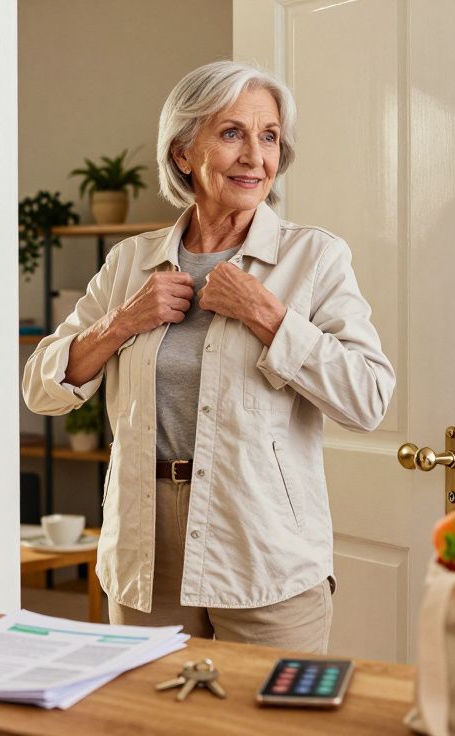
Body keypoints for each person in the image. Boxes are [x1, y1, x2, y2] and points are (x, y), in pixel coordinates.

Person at [22, 61, 394, 652]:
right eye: (231, 133)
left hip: (263, 555)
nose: (255, 156)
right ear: (182, 153)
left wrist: (268, 316)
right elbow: (40, 387)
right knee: (154, 717)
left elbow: (369, 398)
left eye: (268, 136)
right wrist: (122, 323)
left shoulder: (315, 258)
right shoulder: (129, 264)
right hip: (147, 553)